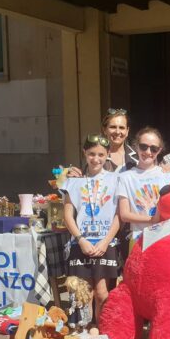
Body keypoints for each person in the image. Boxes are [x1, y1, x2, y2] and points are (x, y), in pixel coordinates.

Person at [60, 134, 121, 324]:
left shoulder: (117, 179)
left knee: (102, 294)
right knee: (83, 294)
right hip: (82, 242)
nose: (96, 159)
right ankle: (83, 334)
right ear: (84, 153)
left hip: (106, 242)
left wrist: (105, 241)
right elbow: (68, 215)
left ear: (108, 154)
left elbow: (119, 215)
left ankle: (101, 332)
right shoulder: (73, 181)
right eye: (92, 154)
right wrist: (80, 239)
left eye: (101, 154)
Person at [116, 127, 170, 248]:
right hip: (138, 239)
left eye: (154, 148)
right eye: (144, 146)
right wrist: (152, 219)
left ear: (160, 150)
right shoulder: (125, 177)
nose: (148, 152)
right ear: (136, 146)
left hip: (164, 238)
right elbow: (124, 215)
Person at [69, 109, 138, 176]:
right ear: (104, 130)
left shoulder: (139, 154)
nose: (117, 132)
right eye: (113, 127)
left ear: (127, 131)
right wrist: (73, 175)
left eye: (121, 127)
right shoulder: (95, 155)